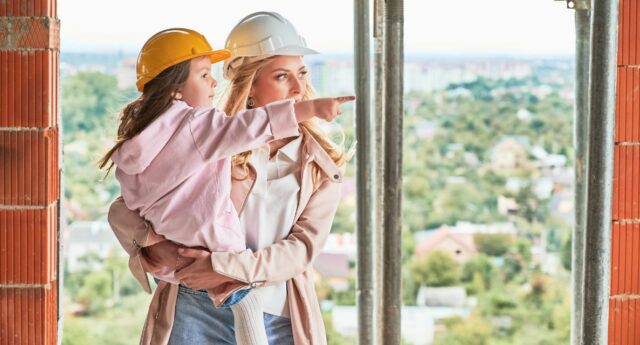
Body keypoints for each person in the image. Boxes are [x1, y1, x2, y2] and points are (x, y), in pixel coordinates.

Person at [99, 26, 352, 345]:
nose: (299, 87)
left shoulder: (321, 164)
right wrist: (170, 256)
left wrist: (226, 267)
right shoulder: (209, 140)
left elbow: (302, 249)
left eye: (302, 73)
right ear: (251, 84)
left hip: (278, 315)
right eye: (281, 76)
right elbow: (126, 210)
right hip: (195, 305)